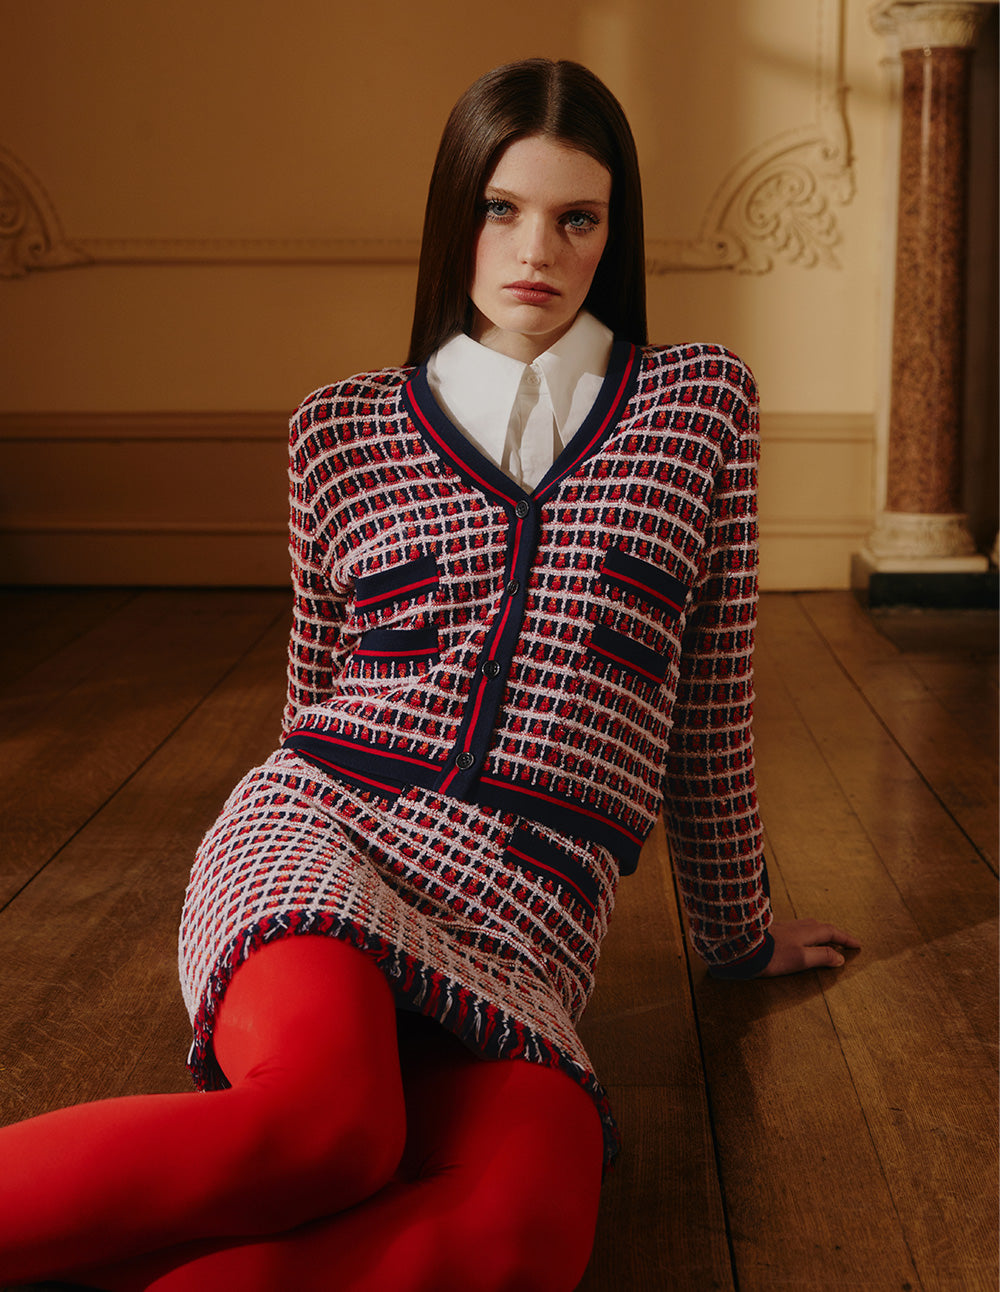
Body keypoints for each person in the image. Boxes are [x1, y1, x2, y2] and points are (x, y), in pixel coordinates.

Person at [0, 58, 859, 1292]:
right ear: (455, 210)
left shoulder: (698, 406)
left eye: (577, 217)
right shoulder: (339, 427)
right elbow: (311, 692)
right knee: (327, 1129)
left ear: (613, 233)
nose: (536, 250)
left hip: (526, 921)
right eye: (501, 208)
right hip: (324, 837)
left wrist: (738, 932)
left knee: (526, 1229)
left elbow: (710, 706)